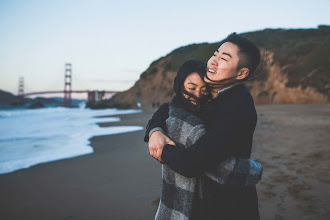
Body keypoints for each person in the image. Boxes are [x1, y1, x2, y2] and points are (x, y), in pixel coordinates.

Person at [146, 33, 262, 219]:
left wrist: (162, 150)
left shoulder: (237, 106)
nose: (213, 62)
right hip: (203, 200)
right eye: (215, 54)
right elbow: (172, 106)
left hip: (228, 206)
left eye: (223, 59)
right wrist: (155, 131)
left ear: (241, 73)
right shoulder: (212, 93)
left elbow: (192, 164)